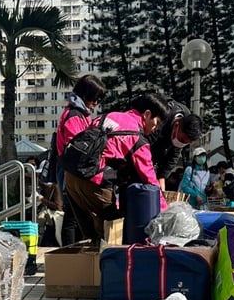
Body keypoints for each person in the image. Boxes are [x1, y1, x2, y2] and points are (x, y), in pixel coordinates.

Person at [63, 92, 169, 242]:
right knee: (113, 231)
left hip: (71, 178)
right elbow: (150, 179)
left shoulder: (107, 116)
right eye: (156, 123)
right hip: (93, 181)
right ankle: (105, 262)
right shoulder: (137, 138)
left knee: (89, 236)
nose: (155, 129)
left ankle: (85, 263)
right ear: (147, 114)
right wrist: (166, 211)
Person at [54, 74, 106, 245]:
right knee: (72, 218)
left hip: (72, 171)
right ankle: (72, 256)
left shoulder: (78, 113)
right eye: (95, 98)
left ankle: (76, 256)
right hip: (74, 172)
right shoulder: (75, 115)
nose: (96, 102)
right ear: (85, 94)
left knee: (75, 218)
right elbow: (79, 149)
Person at [147, 97, 202, 187]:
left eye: (186, 143)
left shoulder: (186, 116)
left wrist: (162, 176)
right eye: (182, 140)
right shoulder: (161, 116)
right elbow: (144, 145)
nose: (182, 143)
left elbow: (174, 155)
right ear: (176, 125)